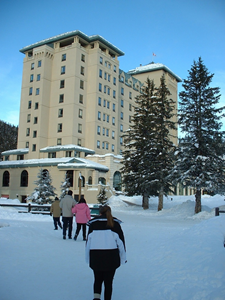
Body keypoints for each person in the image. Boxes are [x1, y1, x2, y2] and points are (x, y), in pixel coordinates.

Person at [86, 205, 126, 300]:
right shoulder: (115, 224)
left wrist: (88, 259)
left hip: (96, 257)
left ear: (99, 213)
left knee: (97, 280)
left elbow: (88, 243)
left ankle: (96, 298)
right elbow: (121, 243)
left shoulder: (93, 224)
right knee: (108, 282)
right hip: (111, 257)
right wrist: (123, 258)